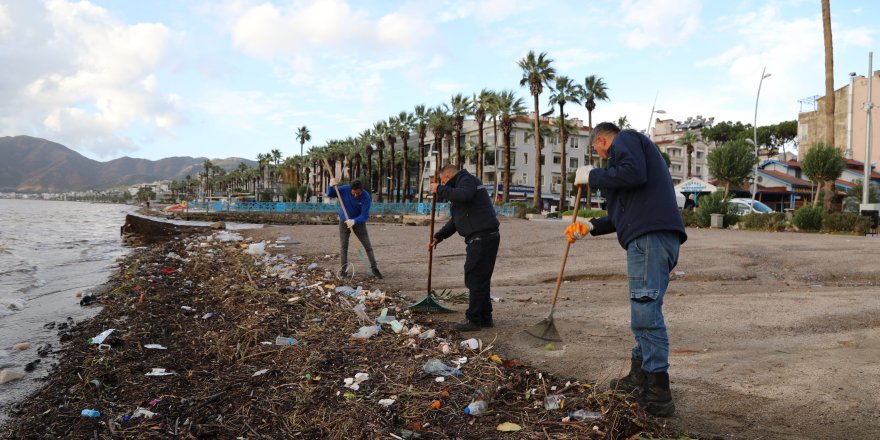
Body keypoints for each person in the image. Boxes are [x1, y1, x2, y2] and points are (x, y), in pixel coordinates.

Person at [564, 122, 687, 417]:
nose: (599, 155)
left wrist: (592, 175)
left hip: (650, 240)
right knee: (646, 310)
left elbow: (633, 174)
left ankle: (658, 392)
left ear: (603, 140)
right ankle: (640, 375)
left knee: (645, 314)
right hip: (654, 238)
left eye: (596, 149)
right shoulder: (627, 168)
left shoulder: (627, 141)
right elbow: (621, 216)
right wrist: (590, 226)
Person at [429, 164, 500, 331]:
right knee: (481, 280)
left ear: (447, 177)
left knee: (474, 278)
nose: (443, 184)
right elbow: (456, 220)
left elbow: (464, 195)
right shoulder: (461, 188)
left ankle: (473, 319)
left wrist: (439, 188)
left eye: (443, 181)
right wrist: (438, 237)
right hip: (484, 237)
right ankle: (484, 317)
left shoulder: (466, 180)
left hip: (482, 238)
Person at [326, 179, 383, 279]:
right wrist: (331, 185)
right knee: (344, 247)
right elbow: (330, 194)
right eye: (354, 193)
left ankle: (374, 268)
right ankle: (343, 271)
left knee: (368, 246)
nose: (356, 195)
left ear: (361, 189)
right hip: (344, 222)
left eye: (358, 193)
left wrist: (354, 221)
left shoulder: (365, 196)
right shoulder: (345, 189)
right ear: (350, 189)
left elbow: (364, 215)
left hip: (359, 224)